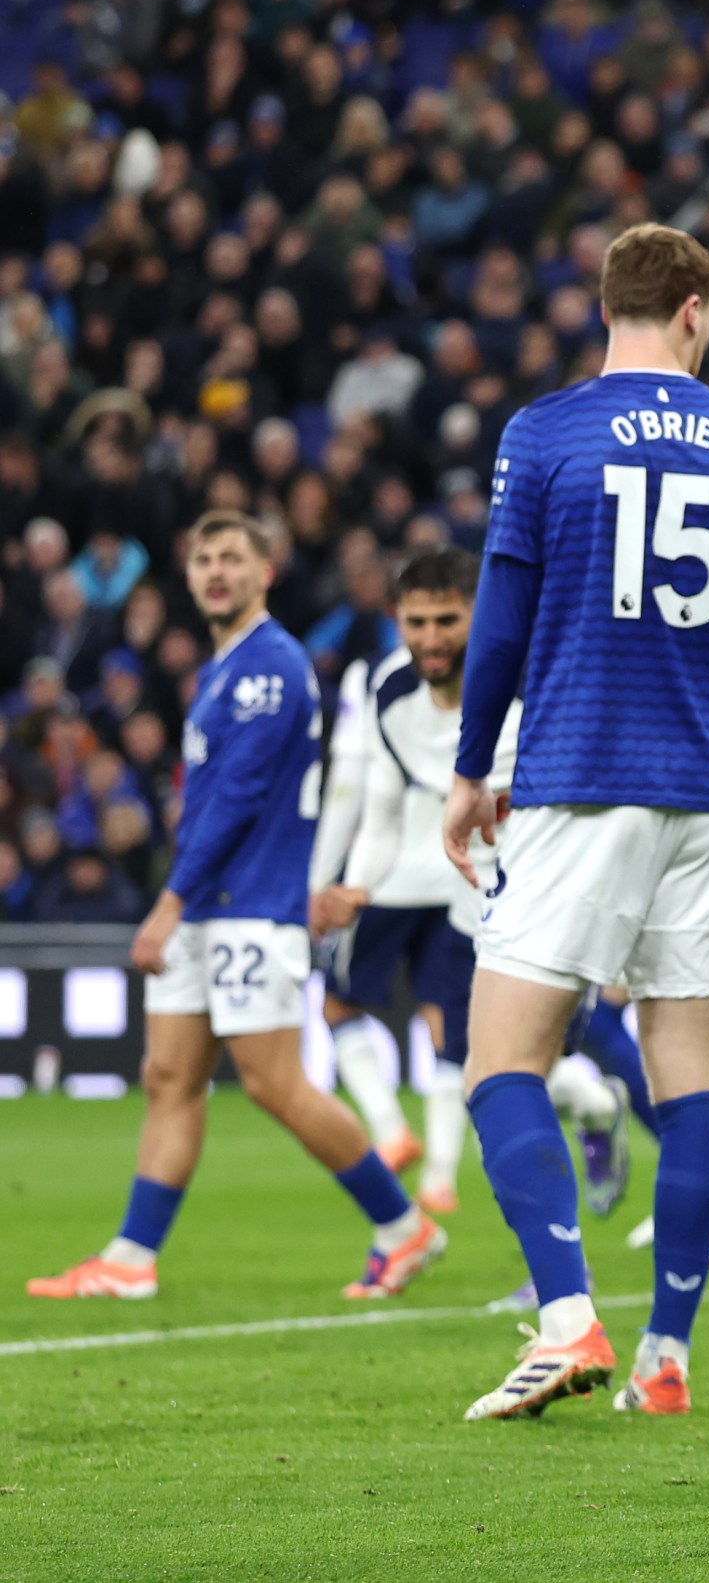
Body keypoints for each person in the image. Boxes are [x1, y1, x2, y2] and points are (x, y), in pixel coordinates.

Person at [440, 224, 709, 1420]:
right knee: (691, 1080)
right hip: (708, 802)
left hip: (578, 777)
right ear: (698, 306)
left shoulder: (544, 431)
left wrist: (468, 769)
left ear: (611, 307)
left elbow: (497, 626)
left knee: (501, 1059)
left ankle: (564, 1319)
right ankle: (666, 1357)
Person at [28, 512, 444, 1302]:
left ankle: (404, 1226)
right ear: (187, 578)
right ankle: (131, 1257)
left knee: (273, 1083)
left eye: (232, 557)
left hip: (243, 907)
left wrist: (169, 902)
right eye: (203, 559)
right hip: (214, 903)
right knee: (168, 1075)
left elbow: (242, 799)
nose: (215, 571)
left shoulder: (268, 667)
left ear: (267, 571)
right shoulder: (223, 670)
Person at [309, 549, 530, 1216]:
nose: (431, 637)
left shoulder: (529, 681)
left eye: (447, 620)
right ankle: (435, 1171)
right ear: (395, 619)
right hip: (406, 873)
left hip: (494, 881)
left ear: (479, 617)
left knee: (496, 1044)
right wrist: (346, 884)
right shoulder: (386, 689)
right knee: (453, 1031)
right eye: (416, 621)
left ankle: (400, 1138)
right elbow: (375, 796)